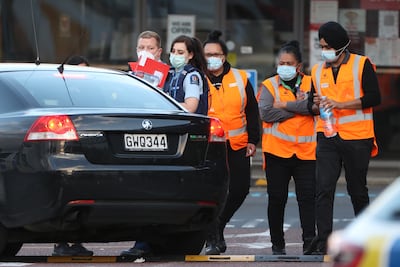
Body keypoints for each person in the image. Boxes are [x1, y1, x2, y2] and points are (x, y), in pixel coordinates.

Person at [120, 34, 209, 258]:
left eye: (181, 52)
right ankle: (145, 241)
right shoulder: (151, 75)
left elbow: (190, 106)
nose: (145, 51)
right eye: (141, 47)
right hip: (152, 137)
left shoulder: (184, 76)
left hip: (177, 140)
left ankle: (149, 242)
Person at [304, 21, 381, 255]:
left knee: (357, 190)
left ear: (339, 46)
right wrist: (315, 105)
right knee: (323, 188)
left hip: (357, 137)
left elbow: (373, 98)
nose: (323, 50)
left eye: (327, 46)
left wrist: (341, 104)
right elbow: (310, 104)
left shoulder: (362, 64)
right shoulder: (317, 70)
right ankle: (324, 240)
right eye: (321, 46)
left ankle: (365, 238)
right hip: (327, 136)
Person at [202, 30, 260, 255]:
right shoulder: (197, 77)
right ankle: (212, 236)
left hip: (237, 144)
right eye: (207, 54)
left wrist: (253, 140)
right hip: (208, 145)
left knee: (240, 189)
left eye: (215, 54)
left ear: (224, 56)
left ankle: (218, 225)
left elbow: (252, 110)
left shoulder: (240, 78)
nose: (211, 58)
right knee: (211, 192)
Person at [258, 40, 316, 255]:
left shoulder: (312, 82)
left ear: (298, 66)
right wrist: (301, 108)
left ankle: (310, 242)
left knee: (308, 200)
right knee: (276, 199)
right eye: (281, 63)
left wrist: (284, 105)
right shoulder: (269, 85)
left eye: (289, 63)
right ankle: (277, 245)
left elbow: (316, 107)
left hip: (307, 153)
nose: (284, 66)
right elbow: (266, 113)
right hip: (277, 152)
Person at [52, 55, 93, 257]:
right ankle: (60, 241)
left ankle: (77, 241)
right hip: (67, 152)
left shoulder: (93, 95)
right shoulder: (58, 94)